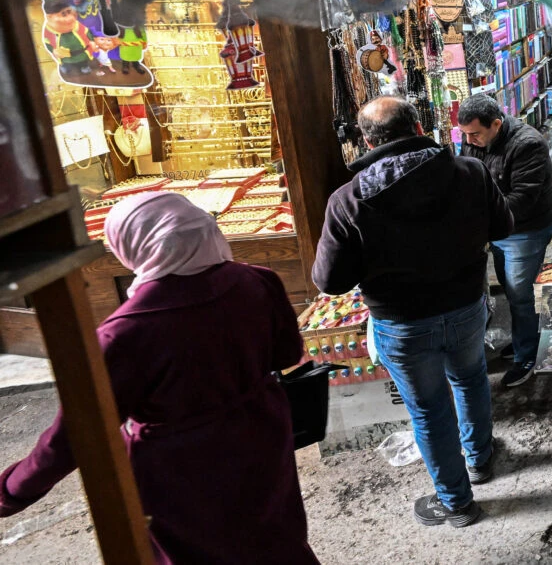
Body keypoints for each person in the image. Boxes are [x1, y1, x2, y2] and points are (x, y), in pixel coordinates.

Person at [0, 193, 319, 564]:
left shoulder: (124, 333)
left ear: (130, 248)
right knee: (273, 540)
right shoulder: (257, 280)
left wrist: (12, 490)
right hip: (261, 438)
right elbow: (287, 355)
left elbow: (78, 433)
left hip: (179, 473)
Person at [314, 96, 511, 528]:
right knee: (471, 377)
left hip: (403, 324)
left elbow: (329, 281)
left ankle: (458, 503)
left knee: (428, 410)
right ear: (420, 126)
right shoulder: (469, 171)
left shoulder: (348, 200)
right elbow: (503, 227)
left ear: (366, 140)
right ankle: (479, 460)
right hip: (464, 306)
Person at [457, 94, 552, 389]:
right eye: (465, 135)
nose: (469, 140)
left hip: (524, 232)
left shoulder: (528, 144)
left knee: (519, 295)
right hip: (499, 232)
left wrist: (478, 220)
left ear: (497, 124)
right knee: (512, 292)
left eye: (475, 133)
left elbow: (521, 201)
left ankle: (527, 356)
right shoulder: (475, 139)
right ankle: (526, 338)